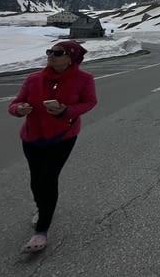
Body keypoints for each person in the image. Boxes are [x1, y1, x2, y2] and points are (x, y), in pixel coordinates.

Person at [8, 40, 97, 253]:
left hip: (62, 137)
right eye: (50, 51)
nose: (52, 55)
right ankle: (42, 207)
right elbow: (14, 104)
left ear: (71, 58)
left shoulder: (84, 80)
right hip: (32, 137)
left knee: (48, 178)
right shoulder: (33, 79)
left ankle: (41, 231)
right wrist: (19, 109)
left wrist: (66, 111)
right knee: (36, 181)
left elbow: (89, 102)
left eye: (59, 53)